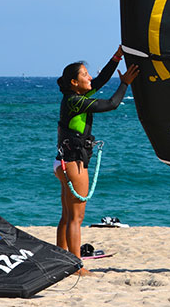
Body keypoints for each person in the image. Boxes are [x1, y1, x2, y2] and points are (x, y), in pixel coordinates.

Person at [55, 47, 139, 274]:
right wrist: (125, 83)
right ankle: (76, 266)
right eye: (84, 74)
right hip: (74, 164)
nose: (89, 77)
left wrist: (117, 57)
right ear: (74, 82)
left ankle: (60, 258)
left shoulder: (75, 97)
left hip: (63, 163)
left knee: (67, 216)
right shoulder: (76, 101)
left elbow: (100, 80)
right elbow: (111, 104)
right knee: (76, 218)